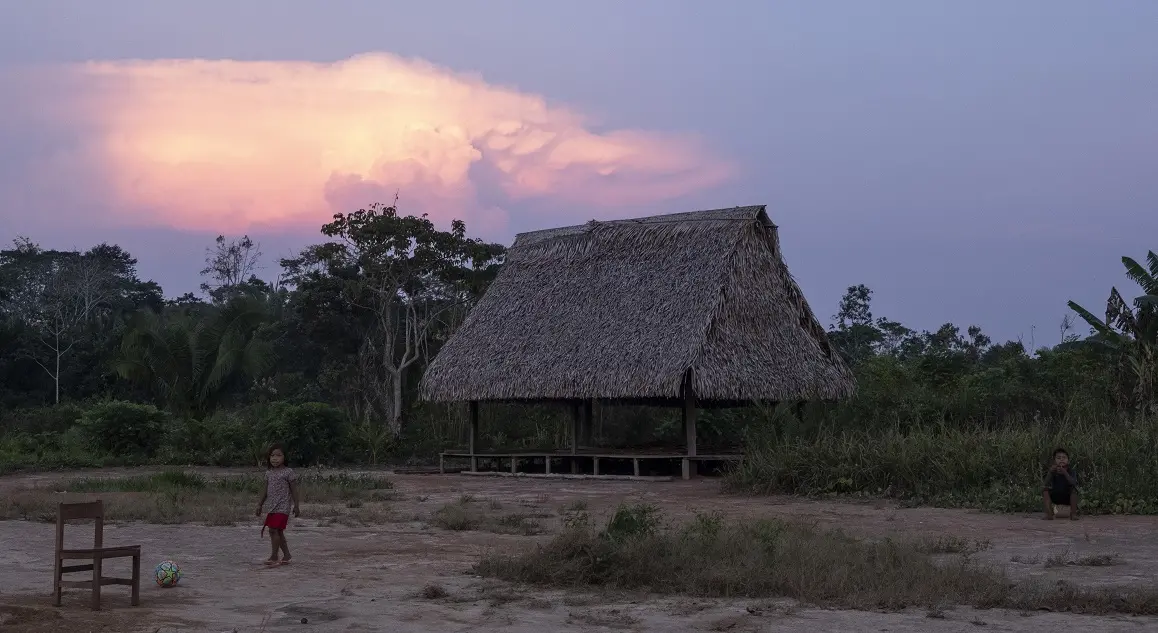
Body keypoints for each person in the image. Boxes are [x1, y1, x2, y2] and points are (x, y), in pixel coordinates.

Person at [256, 444, 301, 565]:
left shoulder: (288, 472)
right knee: (278, 531)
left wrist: (296, 505)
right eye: (272, 455)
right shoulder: (269, 473)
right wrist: (259, 504)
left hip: (283, 507)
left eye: (278, 455)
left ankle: (274, 556)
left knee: (273, 530)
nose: (275, 458)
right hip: (272, 507)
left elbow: (294, 491)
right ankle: (286, 555)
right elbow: (265, 491)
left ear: (284, 457)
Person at [1042, 447, 1078, 520]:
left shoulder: (1071, 471)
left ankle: (1073, 514)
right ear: (1054, 461)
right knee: (1045, 490)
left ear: (1068, 461)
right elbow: (1045, 484)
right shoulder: (1053, 470)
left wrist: (1065, 472)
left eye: (1064, 457)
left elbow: (1073, 482)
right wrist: (1050, 473)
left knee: (1074, 490)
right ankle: (1049, 514)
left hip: (1067, 497)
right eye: (1058, 458)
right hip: (1055, 495)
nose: (1061, 459)